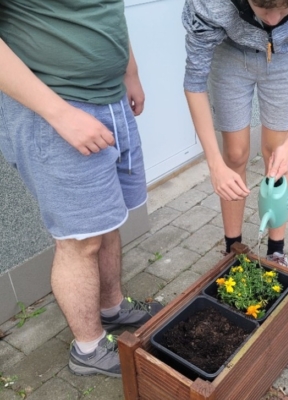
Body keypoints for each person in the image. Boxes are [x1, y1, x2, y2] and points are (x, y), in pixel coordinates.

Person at [0, 0, 163, 378]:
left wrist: (130, 71)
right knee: (79, 240)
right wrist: (61, 115)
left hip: (110, 98)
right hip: (56, 110)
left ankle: (112, 308)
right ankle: (88, 349)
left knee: (106, 218)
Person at [182, 0, 288, 266]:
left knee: (276, 156)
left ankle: (276, 251)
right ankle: (233, 248)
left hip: (285, 57)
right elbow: (194, 81)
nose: (273, 20)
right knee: (234, 154)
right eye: (264, 9)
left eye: (285, 10)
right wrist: (214, 163)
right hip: (230, 56)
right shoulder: (209, 4)